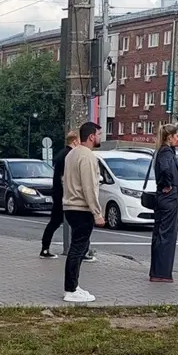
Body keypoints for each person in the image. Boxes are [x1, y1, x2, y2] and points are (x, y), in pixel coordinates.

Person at [61, 121, 104, 303]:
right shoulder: (87, 156)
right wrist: (97, 212)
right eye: (99, 134)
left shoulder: (72, 154)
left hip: (70, 205)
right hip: (81, 207)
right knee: (78, 247)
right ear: (91, 136)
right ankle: (70, 289)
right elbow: (89, 186)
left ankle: (74, 286)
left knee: (80, 246)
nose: (100, 138)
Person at [150, 123, 178, 283]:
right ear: (169, 137)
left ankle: (158, 271)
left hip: (165, 196)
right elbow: (165, 169)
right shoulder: (166, 152)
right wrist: (168, 184)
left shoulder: (162, 151)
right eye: (176, 135)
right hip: (169, 196)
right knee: (167, 234)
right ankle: (162, 272)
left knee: (161, 232)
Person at [40, 131, 80, 259]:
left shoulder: (61, 154)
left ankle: (45, 248)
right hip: (64, 194)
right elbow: (65, 177)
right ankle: (79, 251)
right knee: (76, 222)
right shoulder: (69, 155)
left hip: (58, 193)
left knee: (55, 221)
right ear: (74, 141)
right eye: (79, 140)